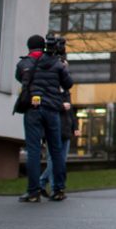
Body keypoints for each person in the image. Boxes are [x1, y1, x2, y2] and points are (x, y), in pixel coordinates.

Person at [16, 34, 74, 203]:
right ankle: (59, 190)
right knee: (56, 150)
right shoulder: (57, 64)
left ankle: (33, 192)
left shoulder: (25, 63)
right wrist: (64, 67)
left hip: (33, 110)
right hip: (52, 110)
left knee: (34, 150)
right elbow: (68, 84)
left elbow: (20, 78)